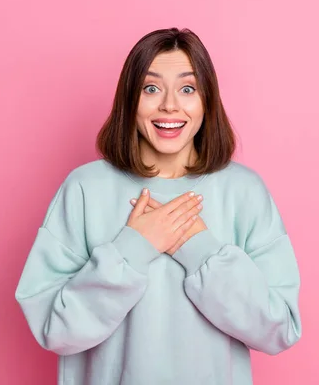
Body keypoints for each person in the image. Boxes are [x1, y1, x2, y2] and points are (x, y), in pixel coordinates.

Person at [15, 27, 302, 385]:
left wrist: (198, 249)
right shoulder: (85, 188)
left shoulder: (244, 191)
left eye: (187, 88)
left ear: (206, 101)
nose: (169, 105)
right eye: (151, 88)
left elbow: (279, 329)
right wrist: (134, 247)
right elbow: (55, 329)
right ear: (129, 100)